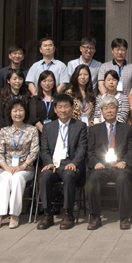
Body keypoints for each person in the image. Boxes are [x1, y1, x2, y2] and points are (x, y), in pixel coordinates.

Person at [36, 94, 88, 230]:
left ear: (71, 108)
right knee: (45, 176)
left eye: (66, 106)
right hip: (53, 164)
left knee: (69, 175)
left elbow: (82, 148)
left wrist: (75, 163)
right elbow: (44, 149)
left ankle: (68, 213)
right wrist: (48, 162)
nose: (63, 110)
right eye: (60, 107)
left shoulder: (80, 126)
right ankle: (48, 214)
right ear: (55, 109)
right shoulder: (48, 127)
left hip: (70, 163)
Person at [86, 96, 132, 231]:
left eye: (112, 107)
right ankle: (95, 216)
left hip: (119, 166)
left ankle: (124, 217)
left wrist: (124, 161)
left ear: (117, 110)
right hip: (101, 166)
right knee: (93, 179)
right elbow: (89, 152)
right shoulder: (95, 130)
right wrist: (95, 163)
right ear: (101, 111)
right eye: (106, 108)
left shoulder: (126, 128)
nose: (109, 111)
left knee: (123, 178)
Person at [0, 99, 39, 229]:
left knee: (18, 177)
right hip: (6, 168)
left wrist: (23, 166)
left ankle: (14, 214)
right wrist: (6, 167)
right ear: (10, 113)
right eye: (15, 111)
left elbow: (34, 151)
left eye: (21, 110)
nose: (18, 113)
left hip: (25, 168)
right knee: (6, 178)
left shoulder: (32, 130)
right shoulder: (4, 131)